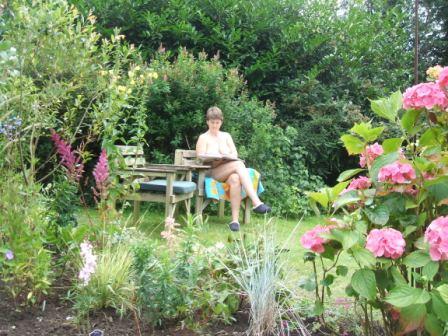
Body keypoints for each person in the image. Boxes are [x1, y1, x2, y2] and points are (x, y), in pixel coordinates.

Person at [196, 106, 271, 231]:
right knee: (239, 165)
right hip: (211, 172)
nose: (215, 125)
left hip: (228, 168)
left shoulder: (226, 136)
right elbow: (200, 157)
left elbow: (235, 154)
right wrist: (215, 156)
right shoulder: (203, 137)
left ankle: (234, 221)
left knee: (235, 179)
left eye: (217, 122)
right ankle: (256, 202)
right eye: (212, 122)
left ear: (221, 122)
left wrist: (226, 155)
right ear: (207, 122)